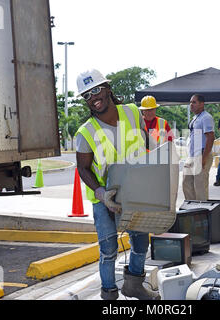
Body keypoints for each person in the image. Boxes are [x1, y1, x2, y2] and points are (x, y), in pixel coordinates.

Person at [74, 69, 159, 300]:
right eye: (87, 95)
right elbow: (82, 168)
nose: (93, 97)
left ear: (108, 88)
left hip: (136, 192)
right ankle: (109, 294)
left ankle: (134, 284)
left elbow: (146, 145)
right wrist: (102, 194)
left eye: (96, 90)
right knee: (109, 249)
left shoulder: (133, 112)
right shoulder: (85, 132)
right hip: (105, 198)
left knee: (141, 242)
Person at [182, 94, 215, 201]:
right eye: (190, 102)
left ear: (202, 104)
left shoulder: (206, 117)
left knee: (200, 186)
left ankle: (202, 213)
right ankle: (191, 210)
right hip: (192, 155)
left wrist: (204, 158)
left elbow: (210, 138)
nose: (191, 105)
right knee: (187, 183)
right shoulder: (195, 118)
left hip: (201, 154)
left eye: (194, 102)